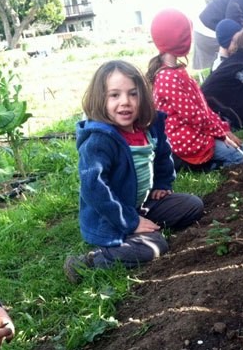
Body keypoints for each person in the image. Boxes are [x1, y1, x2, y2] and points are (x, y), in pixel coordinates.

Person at [64, 60, 204, 283]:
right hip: (109, 215)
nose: (125, 102)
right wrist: (131, 222)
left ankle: (140, 222)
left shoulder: (148, 127)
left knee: (192, 205)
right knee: (155, 245)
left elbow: (162, 157)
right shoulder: (100, 139)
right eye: (114, 95)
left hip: (141, 204)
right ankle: (91, 260)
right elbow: (94, 188)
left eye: (132, 94)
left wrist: (162, 184)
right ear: (100, 99)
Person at [146, 8, 243, 171]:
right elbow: (194, 116)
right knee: (237, 157)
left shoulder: (177, 71)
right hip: (186, 138)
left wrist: (223, 129)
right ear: (180, 38)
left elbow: (204, 110)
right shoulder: (167, 77)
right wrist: (221, 134)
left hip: (197, 129)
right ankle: (201, 165)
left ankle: (213, 158)